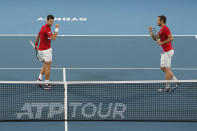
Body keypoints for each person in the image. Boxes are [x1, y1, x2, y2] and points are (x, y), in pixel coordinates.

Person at [149, 15, 178, 92]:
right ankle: (176, 81)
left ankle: (167, 87)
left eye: (158, 20)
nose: (157, 21)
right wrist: (150, 31)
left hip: (167, 51)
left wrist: (162, 42)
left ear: (161, 21)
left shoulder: (165, 28)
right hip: (164, 52)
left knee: (167, 69)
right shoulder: (161, 30)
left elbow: (171, 38)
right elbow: (155, 38)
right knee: (162, 68)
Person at [34, 15, 59, 88]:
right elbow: (54, 38)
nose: (52, 23)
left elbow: (38, 35)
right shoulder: (47, 29)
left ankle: (39, 78)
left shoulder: (43, 27)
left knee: (45, 64)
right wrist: (57, 29)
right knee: (48, 66)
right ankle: (47, 83)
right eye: (51, 21)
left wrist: (36, 44)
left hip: (41, 50)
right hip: (46, 51)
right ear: (47, 20)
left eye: (53, 21)